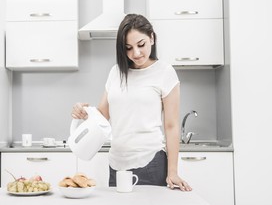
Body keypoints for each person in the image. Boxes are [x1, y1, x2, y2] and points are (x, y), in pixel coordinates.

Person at [71, 14, 192, 191]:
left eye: (141, 44)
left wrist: (172, 172)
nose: (135, 53)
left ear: (152, 38)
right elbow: (102, 115)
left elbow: (172, 126)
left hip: (151, 162)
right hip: (117, 165)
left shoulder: (164, 72)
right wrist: (82, 110)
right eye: (128, 48)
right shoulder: (116, 72)